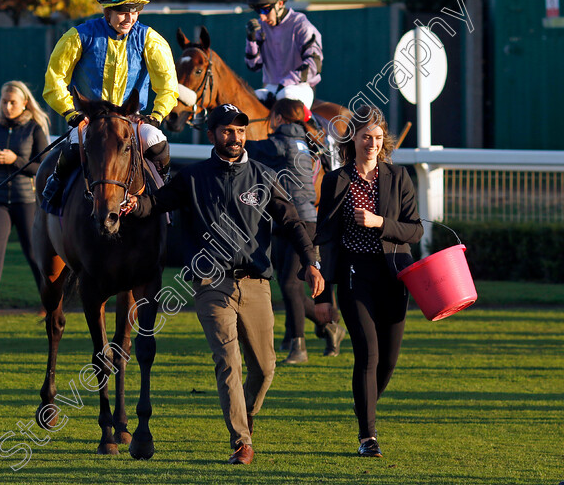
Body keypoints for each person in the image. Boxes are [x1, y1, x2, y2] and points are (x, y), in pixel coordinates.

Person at [124, 103, 324, 465]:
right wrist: (133, 205)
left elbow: (293, 221)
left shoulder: (263, 176)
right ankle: (241, 442)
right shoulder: (192, 177)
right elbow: (155, 203)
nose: (235, 137)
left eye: (241, 131)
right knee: (228, 360)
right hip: (210, 284)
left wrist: (311, 262)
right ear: (212, 134)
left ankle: (244, 418)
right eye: (228, 131)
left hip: (257, 285)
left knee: (264, 369)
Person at [311, 105, 423, 457]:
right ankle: (368, 436)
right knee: (368, 354)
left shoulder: (399, 177)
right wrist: (323, 295)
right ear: (354, 139)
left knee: (388, 360)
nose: (372, 144)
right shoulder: (336, 180)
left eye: (377, 138)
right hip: (355, 276)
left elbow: (415, 230)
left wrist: (379, 223)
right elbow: (325, 239)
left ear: (383, 141)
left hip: (394, 275)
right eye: (365, 137)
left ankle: (365, 405)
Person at [41, 0, 179, 211]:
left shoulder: (150, 39)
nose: (130, 17)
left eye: (135, 11)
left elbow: (168, 85)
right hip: (90, 119)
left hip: (131, 119)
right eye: (123, 11)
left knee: (157, 142)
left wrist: (156, 115)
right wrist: (71, 113)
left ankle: (165, 192)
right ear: (107, 11)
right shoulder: (77, 37)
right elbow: (54, 81)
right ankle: (55, 186)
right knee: (74, 146)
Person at [245, 98, 345, 363]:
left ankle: (299, 347)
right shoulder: (302, 141)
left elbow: (248, 149)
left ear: (278, 118)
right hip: (296, 220)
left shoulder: (281, 143)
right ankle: (332, 328)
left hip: (299, 222)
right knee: (291, 287)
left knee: (290, 284)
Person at [0, 81, 50, 322]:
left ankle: (50, 304)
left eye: (12, 102)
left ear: (24, 103)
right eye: (4, 102)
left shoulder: (35, 129)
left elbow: (43, 167)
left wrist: (15, 160)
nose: (7, 106)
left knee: (34, 253)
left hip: (25, 200)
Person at [244, 0, 323, 109]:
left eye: (265, 10)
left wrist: (286, 82)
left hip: (299, 87)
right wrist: (251, 40)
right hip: (271, 87)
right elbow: (254, 66)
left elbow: (315, 63)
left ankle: (311, 126)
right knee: (248, 100)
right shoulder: (261, 27)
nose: (262, 17)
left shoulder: (301, 25)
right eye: (258, 11)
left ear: (280, 3)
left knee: (285, 96)